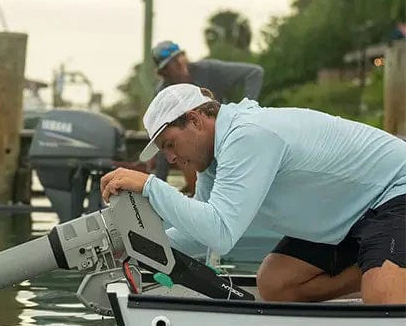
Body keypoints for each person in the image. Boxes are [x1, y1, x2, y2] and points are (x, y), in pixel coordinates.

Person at [101, 83, 406, 304]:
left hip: (394, 189)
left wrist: (150, 186)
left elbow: (220, 233)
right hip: (351, 214)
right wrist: (134, 245)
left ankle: (386, 277)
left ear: (194, 120)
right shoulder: (214, 160)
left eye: (170, 144)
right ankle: (379, 269)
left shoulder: (247, 135)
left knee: (383, 299)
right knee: (276, 284)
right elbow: (200, 234)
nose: (169, 158)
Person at [150, 40, 264, 195]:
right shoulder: (163, 94)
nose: (180, 65)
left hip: (223, 139)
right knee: (182, 150)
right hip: (195, 149)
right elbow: (164, 138)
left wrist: (247, 109)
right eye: (173, 64)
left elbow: (254, 72)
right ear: (163, 72)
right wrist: (157, 188)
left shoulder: (208, 70)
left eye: (179, 59)